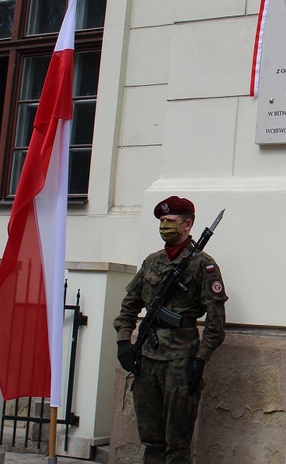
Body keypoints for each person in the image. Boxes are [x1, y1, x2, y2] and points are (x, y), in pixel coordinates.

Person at [114, 196, 228, 464]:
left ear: (187, 225)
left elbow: (215, 321)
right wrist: (123, 342)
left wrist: (200, 359)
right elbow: (129, 306)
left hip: (180, 360)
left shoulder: (203, 265)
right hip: (147, 358)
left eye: (171, 221)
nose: (165, 225)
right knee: (151, 439)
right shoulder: (152, 262)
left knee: (177, 444)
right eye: (162, 221)